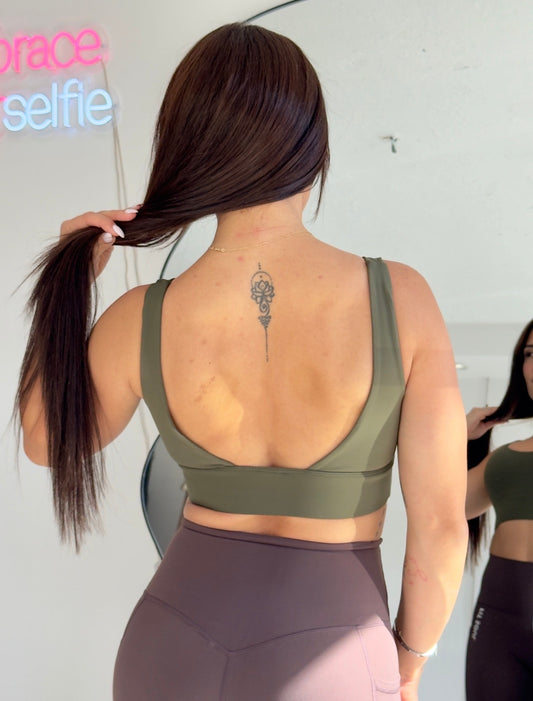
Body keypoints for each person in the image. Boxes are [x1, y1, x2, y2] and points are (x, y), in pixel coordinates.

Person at [17, 23, 468, 701]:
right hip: (335, 653)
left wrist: (72, 287)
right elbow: (440, 529)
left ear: (188, 150)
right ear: (311, 148)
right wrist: (409, 659)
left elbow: (44, 441)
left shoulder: (141, 315)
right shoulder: (399, 297)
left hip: (169, 644)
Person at [465, 319, 533, 700]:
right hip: (498, 618)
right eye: (529, 354)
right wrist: (463, 438)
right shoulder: (504, 459)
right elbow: (448, 508)